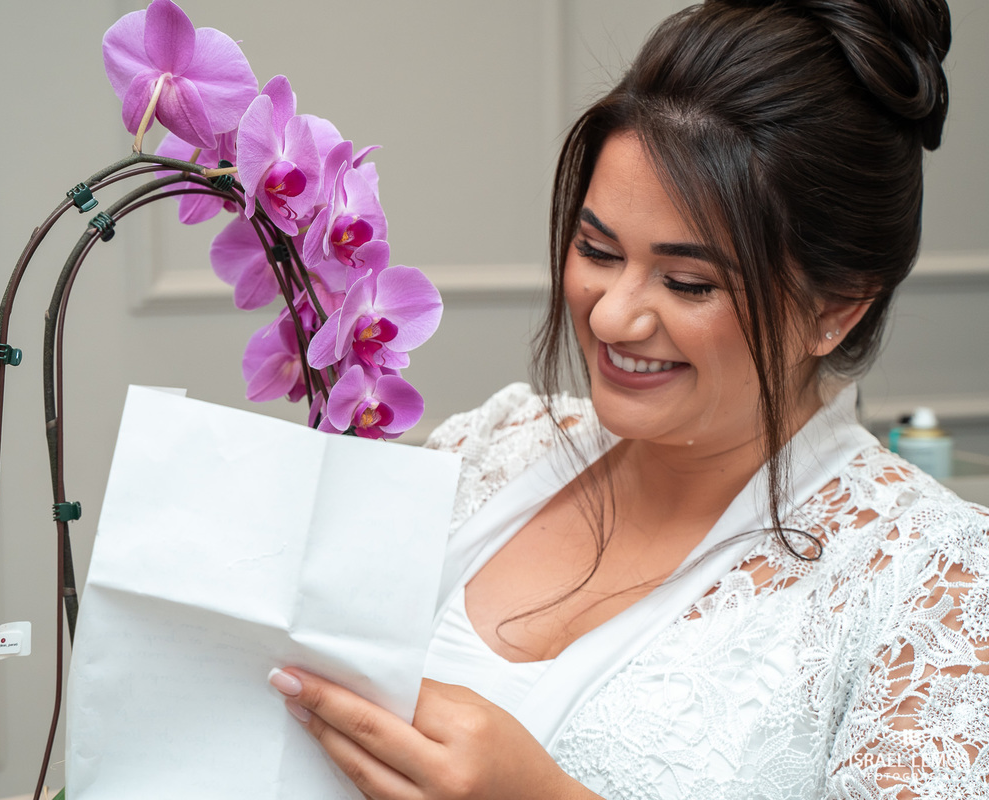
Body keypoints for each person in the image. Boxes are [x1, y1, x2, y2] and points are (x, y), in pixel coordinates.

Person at [267, 0, 989, 797]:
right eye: (596, 249)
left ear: (835, 308)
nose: (610, 315)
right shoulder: (497, 446)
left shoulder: (935, 584)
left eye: (688, 282)